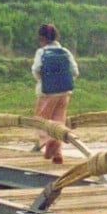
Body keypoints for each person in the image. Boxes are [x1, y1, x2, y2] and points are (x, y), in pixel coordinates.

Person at [31, 23, 79, 165]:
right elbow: (75, 71)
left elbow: (36, 69)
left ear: (42, 38)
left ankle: (49, 141)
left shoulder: (41, 52)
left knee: (41, 121)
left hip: (46, 92)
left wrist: (42, 80)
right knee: (58, 122)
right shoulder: (65, 51)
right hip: (64, 92)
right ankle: (57, 154)